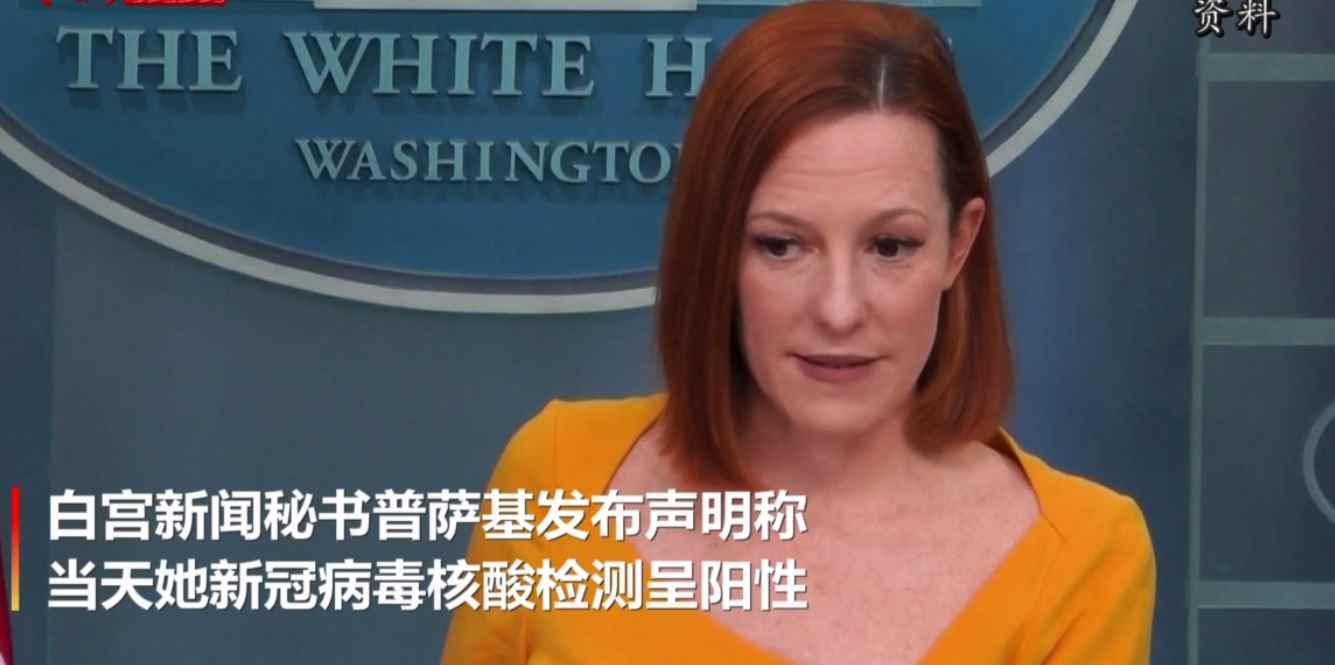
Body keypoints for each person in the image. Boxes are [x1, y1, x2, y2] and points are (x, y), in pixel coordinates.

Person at [440, 1, 1156, 663]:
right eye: (781, 245)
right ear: (716, 246)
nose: (838, 310)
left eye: (890, 246)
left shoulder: (1085, 555)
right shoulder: (558, 475)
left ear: (958, 244)